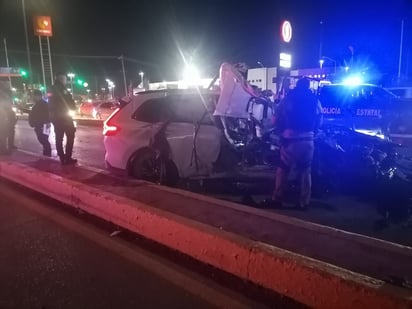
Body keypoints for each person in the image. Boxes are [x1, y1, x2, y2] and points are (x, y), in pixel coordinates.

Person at [268, 77, 322, 210]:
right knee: (305, 172)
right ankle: (303, 202)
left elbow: (276, 118)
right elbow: (320, 119)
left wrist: (278, 129)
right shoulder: (315, 100)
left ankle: (277, 199)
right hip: (308, 140)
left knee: (283, 169)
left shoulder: (289, 98)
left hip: (290, 139)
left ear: (297, 85)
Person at [48, 72, 77, 165]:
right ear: (61, 79)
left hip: (57, 118)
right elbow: (69, 102)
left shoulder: (52, 89)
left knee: (59, 138)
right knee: (69, 136)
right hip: (64, 118)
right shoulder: (61, 90)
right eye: (64, 79)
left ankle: (63, 158)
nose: (66, 81)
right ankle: (67, 158)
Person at [28, 90, 52, 157]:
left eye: (33, 96)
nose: (32, 97)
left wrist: (47, 122)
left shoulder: (43, 104)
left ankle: (47, 155)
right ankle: (46, 154)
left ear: (37, 96)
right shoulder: (38, 104)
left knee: (44, 140)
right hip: (39, 125)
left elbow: (47, 114)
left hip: (42, 126)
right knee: (43, 140)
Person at [0, 82, 17, 154]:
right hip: (3, 113)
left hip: (9, 112)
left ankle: (10, 144)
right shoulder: (1, 92)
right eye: (6, 83)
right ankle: (3, 148)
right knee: (3, 132)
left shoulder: (9, 92)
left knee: (11, 130)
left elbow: (11, 102)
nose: (7, 85)